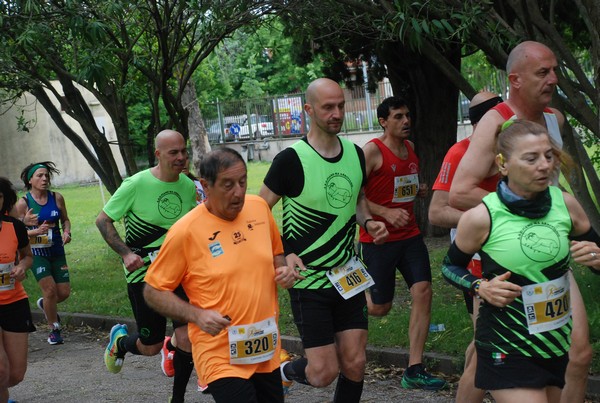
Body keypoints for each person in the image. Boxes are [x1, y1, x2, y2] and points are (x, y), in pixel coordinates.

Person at [449, 41, 592, 403]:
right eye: (543, 73)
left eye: (555, 70)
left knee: (578, 353)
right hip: (502, 257)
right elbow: (459, 192)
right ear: (515, 79)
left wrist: (550, 217)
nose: (554, 79)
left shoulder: (554, 119)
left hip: (549, 250)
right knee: (486, 357)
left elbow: (554, 190)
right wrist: (517, 215)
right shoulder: (496, 121)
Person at [259, 78, 388, 403]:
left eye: (341, 106)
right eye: (328, 107)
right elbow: (257, 215)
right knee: (322, 372)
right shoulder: (291, 159)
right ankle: (285, 372)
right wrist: (283, 255)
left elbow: (358, 201)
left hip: (348, 275)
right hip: (309, 283)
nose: (336, 113)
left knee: (356, 363)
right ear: (309, 109)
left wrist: (369, 222)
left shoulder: (356, 155)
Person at [144, 148, 301, 402]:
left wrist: (283, 270)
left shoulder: (260, 209)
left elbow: (276, 254)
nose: (238, 192)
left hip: (263, 344)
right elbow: (153, 291)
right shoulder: (186, 231)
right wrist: (197, 315)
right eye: (228, 185)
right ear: (205, 186)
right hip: (218, 351)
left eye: (242, 182)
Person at [95, 130, 196, 403]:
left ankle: (177, 398)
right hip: (145, 276)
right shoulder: (135, 184)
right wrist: (126, 254)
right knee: (149, 346)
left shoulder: (188, 186)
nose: (180, 157)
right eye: (173, 152)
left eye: (183, 151)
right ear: (158, 154)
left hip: (181, 275)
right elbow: (103, 220)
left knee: (187, 337)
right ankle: (121, 342)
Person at [357, 96, 445, 390]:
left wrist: (417, 190)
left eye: (407, 115)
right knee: (379, 308)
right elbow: (354, 197)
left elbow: (402, 187)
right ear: (383, 121)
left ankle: (414, 368)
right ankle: (343, 301)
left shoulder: (411, 149)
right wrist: (383, 212)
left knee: (423, 291)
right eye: (398, 117)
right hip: (378, 240)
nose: (406, 121)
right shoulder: (372, 151)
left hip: (409, 236)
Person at [429, 91, 503, 401]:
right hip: (473, 261)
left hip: (513, 256)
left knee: (484, 339)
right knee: (490, 341)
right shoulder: (459, 154)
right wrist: (485, 220)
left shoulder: (512, 151)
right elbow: (436, 212)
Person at [14, 161, 71, 345]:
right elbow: (14, 230)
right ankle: (54, 329)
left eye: (47, 175)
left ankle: (45, 304)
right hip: (36, 253)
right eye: (40, 175)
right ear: (30, 180)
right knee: (50, 290)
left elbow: (66, 220)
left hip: (56, 251)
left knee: (63, 292)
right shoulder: (23, 203)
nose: (45, 178)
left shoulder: (57, 197)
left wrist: (67, 232)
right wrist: (28, 226)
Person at [0, 177, 35, 403]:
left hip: (14, 301)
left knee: (15, 374)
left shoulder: (15, 227)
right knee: (0, 372)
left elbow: (27, 256)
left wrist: (22, 267)